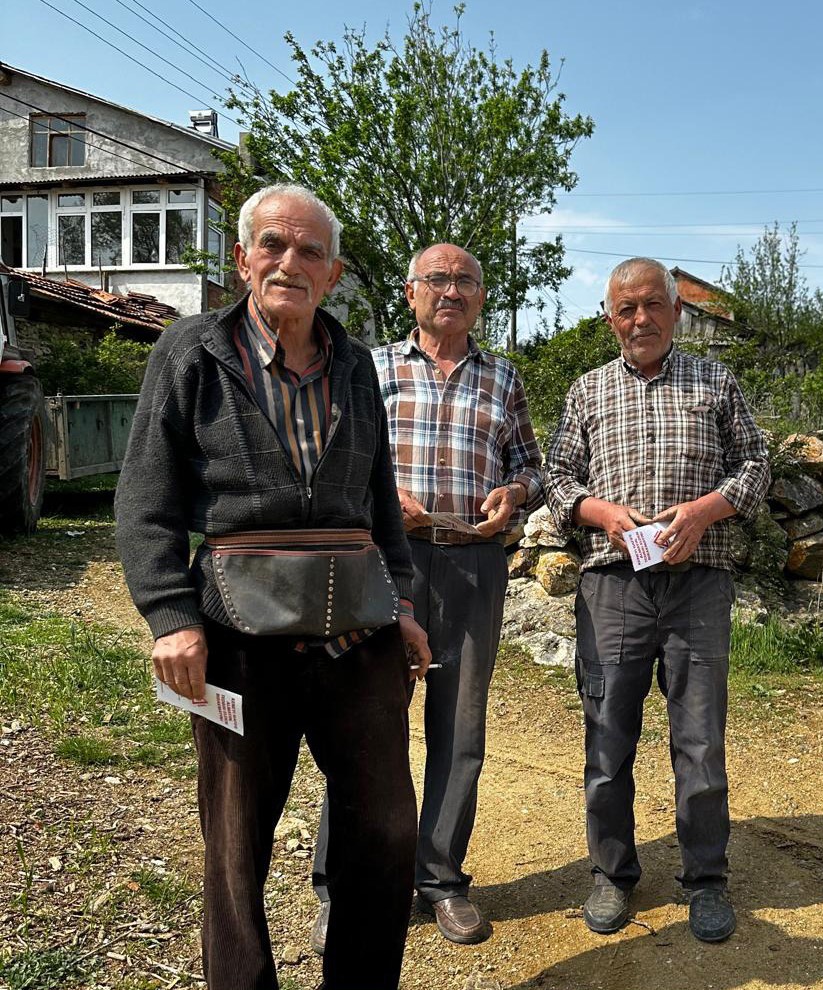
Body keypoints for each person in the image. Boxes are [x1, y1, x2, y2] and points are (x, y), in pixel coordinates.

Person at [116, 183, 432, 990]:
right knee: (236, 848)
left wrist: (403, 605)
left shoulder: (356, 364)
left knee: (388, 831)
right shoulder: (192, 350)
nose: (291, 263)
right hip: (235, 638)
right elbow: (145, 497)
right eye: (274, 246)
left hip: (358, 636)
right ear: (242, 258)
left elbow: (376, 499)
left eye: (311, 252)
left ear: (332, 274)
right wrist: (170, 616)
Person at [310, 243, 543, 948]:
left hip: (474, 567)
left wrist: (516, 494)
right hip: (385, 566)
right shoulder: (368, 369)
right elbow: (329, 453)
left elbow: (530, 464)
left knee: (460, 732)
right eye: (437, 280)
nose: (451, 290)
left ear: (481, 297)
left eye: (465, 281)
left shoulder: (504, 378)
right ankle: (344, 886)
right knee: (363, 728)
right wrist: (384, 499)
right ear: (411, 294)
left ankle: (439, 880)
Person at [544, 257, 769, 943]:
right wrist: (601, 512)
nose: (639, 319)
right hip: (613, 586)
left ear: (675, 311)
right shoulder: (587, 391)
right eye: (625, 308)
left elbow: (757, 465)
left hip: (699, 584)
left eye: (651, 306)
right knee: (607, 739)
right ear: (609, 317)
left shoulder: (716, 380)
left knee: (699, 741)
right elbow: (556, 478)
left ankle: (705, 880)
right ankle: (612, 874)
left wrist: (703, 511)